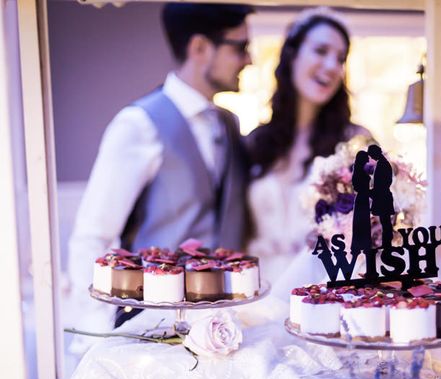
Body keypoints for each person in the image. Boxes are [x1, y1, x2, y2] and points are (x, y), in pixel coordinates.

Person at [68, 3, 253, 331]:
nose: (249, 60)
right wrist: (97, 332)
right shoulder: (139, 124)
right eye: (240, 48)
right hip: (152, 327)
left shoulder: (228, 123)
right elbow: (92, 235)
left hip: (223, 325)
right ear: (199, 48)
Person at [246, 7, 371, 283]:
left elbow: (373, 231)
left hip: (320, 295)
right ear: (292, 55)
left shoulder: (354, 144)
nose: (331, 66)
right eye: (321, 51)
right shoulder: (256, 143)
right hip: (254, 296)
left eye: (340, 58)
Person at [368, 144, 395, 247]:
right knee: (385, 222)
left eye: (371, 155)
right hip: (382, 197)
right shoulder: (381, 164)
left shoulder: (383, 164)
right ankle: (386, 244)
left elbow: (383, 184)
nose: (371, 158)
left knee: (386, 223)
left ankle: (387, 244)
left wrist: (371, 192)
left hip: (383, 198)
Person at [350, 150, 372, 254]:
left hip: (363, 199)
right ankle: (358, 245)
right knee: (361, 223)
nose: (368, 160)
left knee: (363, 223)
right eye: (366, 158)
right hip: (362, 199)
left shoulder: (362, 170)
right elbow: (357, 186)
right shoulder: (359, 172)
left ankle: (365, 245)